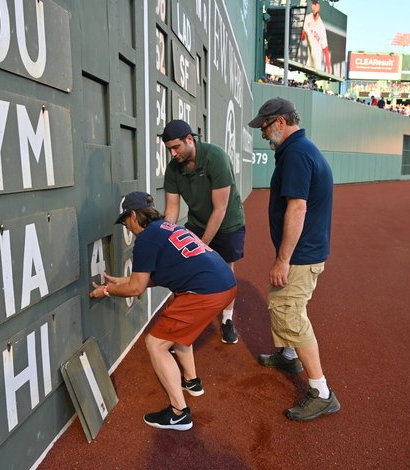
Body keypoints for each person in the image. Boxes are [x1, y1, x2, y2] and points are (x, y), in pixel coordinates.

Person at [90, 191, 237, 431]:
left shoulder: (146, 239)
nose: (126, 226)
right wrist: (122, 282)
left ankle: (179, 413)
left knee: (156, 343)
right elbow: (158, 274)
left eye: (125, 220)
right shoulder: (166, 228)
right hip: (224, 283)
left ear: (134, 215)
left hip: (205, 291)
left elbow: (136, 288)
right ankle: (192, 382)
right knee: (177, 331)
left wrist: (106, 290)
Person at [247, 97, 341, 421]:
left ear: (280, 122)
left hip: (300, 255)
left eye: (264, 126)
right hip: (305, 250)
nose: (262, 134)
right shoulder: (298, 150)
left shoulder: (297, 155)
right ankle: (289, 355)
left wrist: (283, 259)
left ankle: (322, 392)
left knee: (289, 312)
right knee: (282, 302)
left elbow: (297, 208)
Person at [160, 119, 246, 344]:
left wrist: (203, 247)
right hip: (197, 222)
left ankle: (227, 319)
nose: (172, 153)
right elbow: (171, 208)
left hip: (227, 223)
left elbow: (220, 209)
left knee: (225, 269)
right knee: (187, 268)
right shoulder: (173, 168)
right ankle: (190, 321)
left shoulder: (215, 157)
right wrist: (165, 238)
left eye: (176, 147)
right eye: (169, 148)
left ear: (190, 139)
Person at [301, 0, 332, 74]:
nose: (313, 7)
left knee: (316, 78)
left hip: (317, 60)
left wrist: (328, 67)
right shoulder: (307, 18)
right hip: (310, 57)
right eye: (313, 4)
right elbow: (303, 38)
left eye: (315, 4)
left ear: (319, 7)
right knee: (306, 76)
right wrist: (302, 30)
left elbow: (325, 48)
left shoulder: (321, 27)